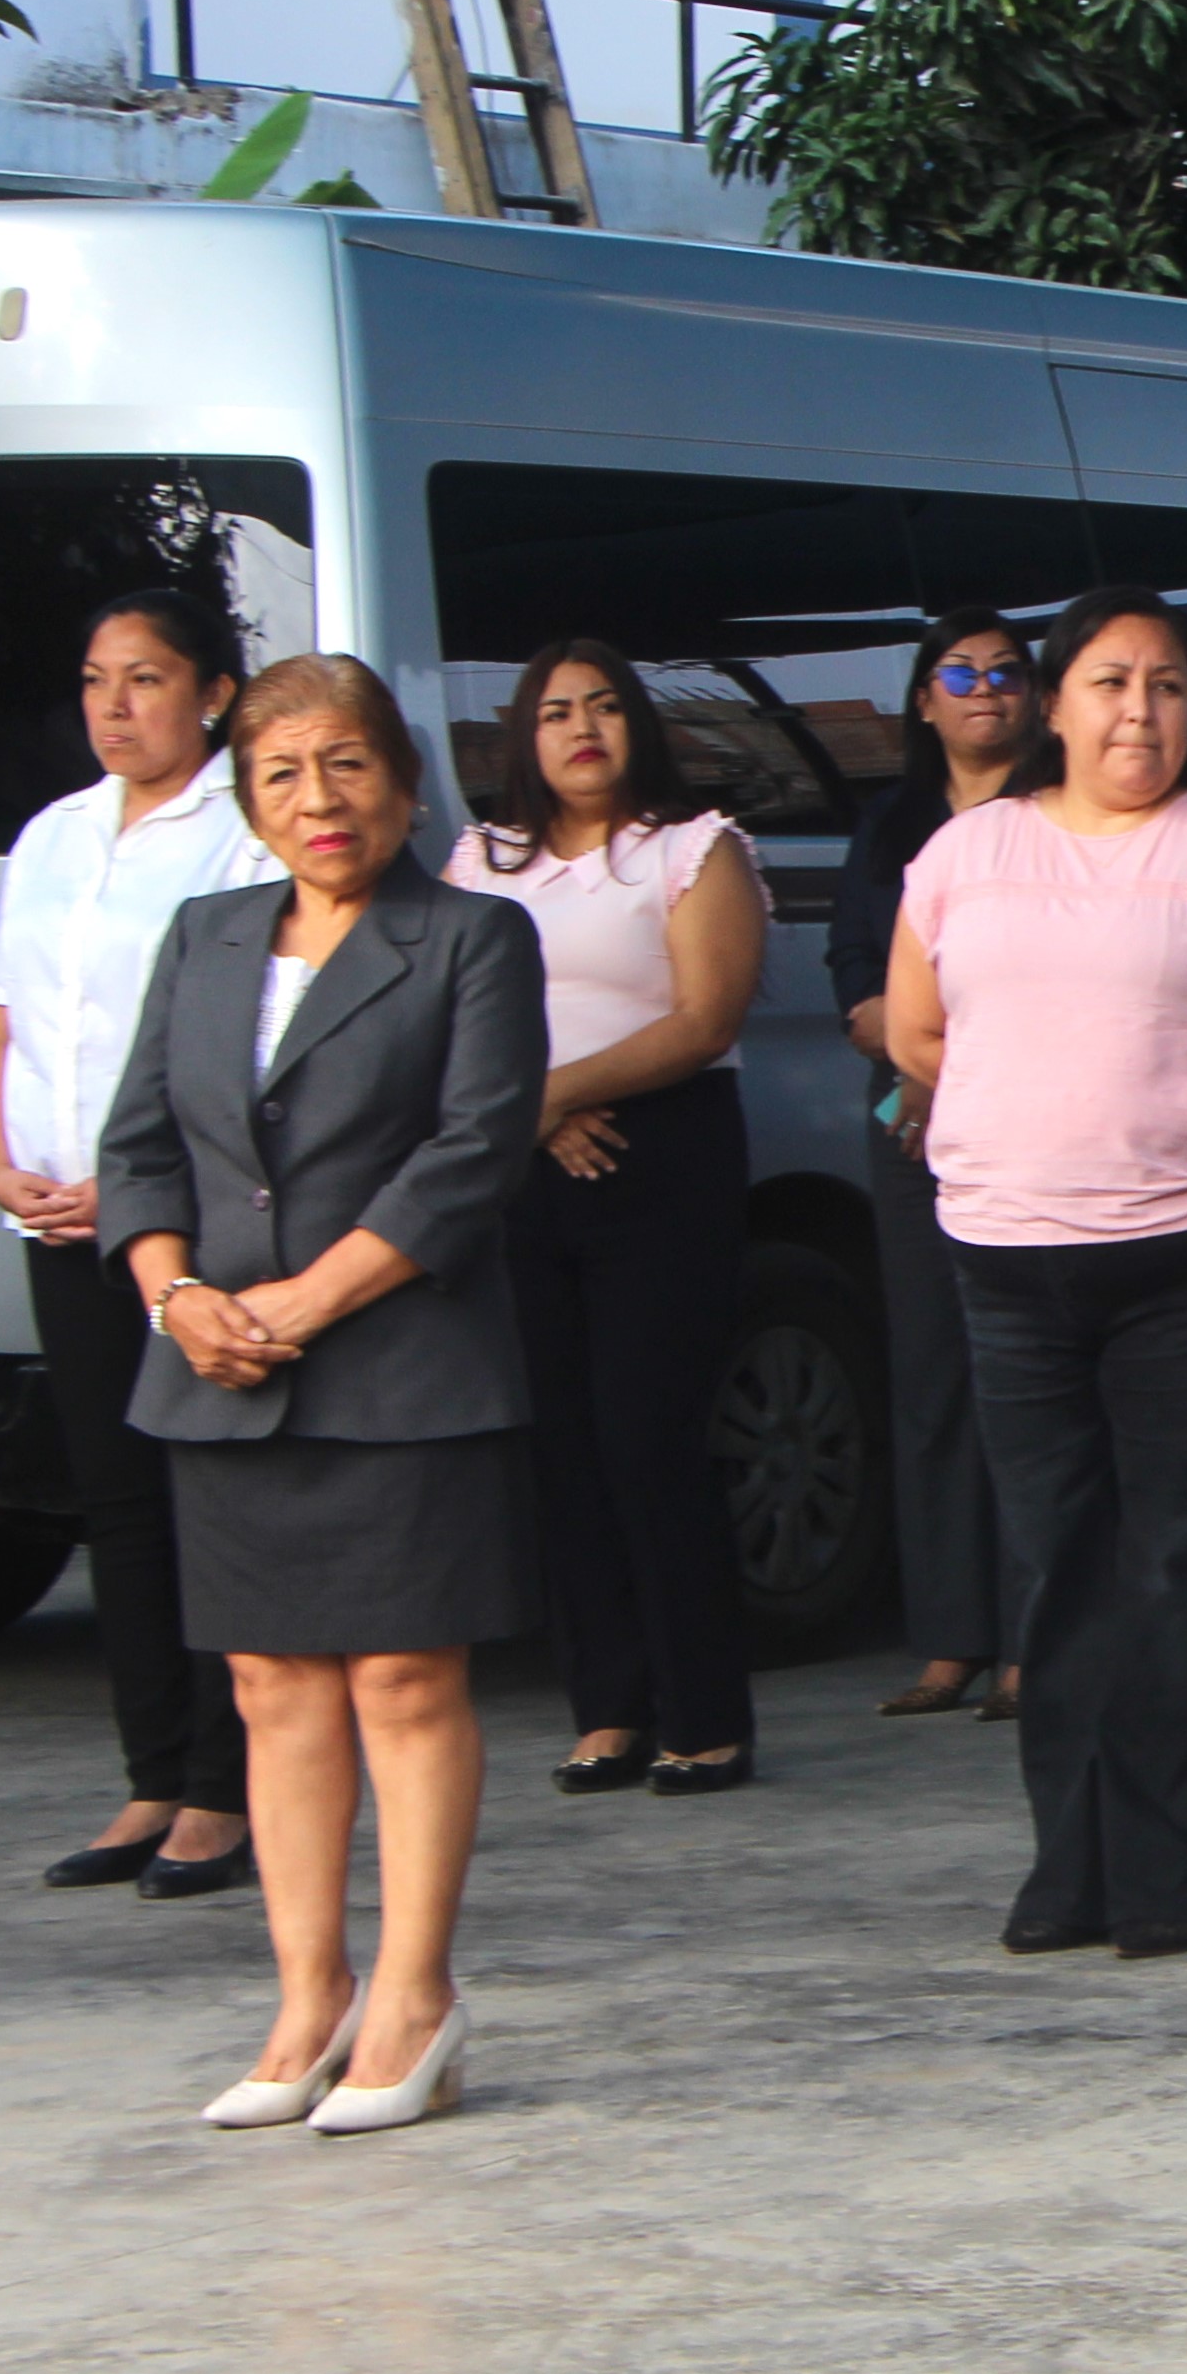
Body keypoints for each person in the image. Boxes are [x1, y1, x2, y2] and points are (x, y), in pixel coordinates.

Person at [100, 655, 547, 2134]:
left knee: (404, 1681)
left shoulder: (472, 936)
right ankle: (306, 1997)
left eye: (347, 764)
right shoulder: (204, 933)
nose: (320, 798)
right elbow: (142, 1144)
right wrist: (175, 1292)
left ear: (405, 784)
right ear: (250, 802)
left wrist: (309, 1296)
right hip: (218, 1369)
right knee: (271, 1687)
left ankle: (414, 1998)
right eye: (283, 772)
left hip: (403, 1364)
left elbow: (472, 1153)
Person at [888, 588, 1187, 1959]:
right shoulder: (966, 854)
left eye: (1167, 684)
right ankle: (1076, 1862)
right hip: (1011, 1255)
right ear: (1054, 702)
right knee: (1060, 1566)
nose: (1139, 711)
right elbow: (921, 1028)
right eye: (1109, 681)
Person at [0, 592, 273, 1899]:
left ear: (208, 692)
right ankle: (150, 1771)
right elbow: (2, 1018)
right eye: (97, 678)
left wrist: (129, 1182)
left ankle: (223, 1785)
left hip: (182, 1215)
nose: (113, 704)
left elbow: (239, 1033)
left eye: (143, 678)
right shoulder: (54, 834)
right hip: (53, 1214)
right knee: (114, 1502)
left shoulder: (239, 835)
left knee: (199, 1494)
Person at [452, 643, 766, 1799]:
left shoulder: (694, 849)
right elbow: (455, 1015)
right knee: (563, 1449)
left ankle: (704, 1714)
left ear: (638, 720)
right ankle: (609, 1709)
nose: (580, 726)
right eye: (553, 711)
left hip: (659, 1158)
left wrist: (557, 1095)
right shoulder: (483, 860)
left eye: (602, 705)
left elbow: (704, 1015)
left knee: (649, 1440)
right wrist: (530, 1119)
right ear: (523, 737)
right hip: (521, 1163)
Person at [832, 612, 1034, 1719]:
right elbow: (855, 965)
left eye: (1007, 673)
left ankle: (1027, 1639)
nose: (984, 689)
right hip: (911, 1118)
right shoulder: (890, 825)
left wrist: (956, 1053)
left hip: (1028, 1118)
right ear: (923, 701)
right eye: (959, 673)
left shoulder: (1053, 814)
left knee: (1025, 1381)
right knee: (931, 1375)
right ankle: (949, 1637)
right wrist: (897, 1038)